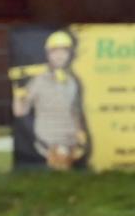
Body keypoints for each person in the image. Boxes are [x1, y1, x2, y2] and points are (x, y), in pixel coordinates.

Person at [12, 30, 89, 170]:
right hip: (48, 148)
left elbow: (75, 111)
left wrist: (80, 133)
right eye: (55, 51)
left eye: (64, 51)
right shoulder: (37, 81)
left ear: (69, 54)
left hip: (71, 145)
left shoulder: (72, 81)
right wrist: (19, 95)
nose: (59, 56)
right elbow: (20, 111)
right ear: (48, 54)